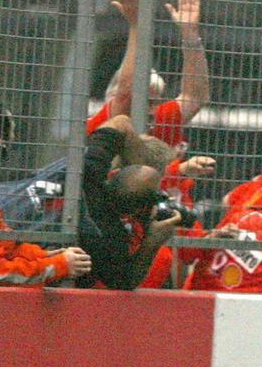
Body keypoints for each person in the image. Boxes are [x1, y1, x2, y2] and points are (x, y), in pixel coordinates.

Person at [87, 0, 209, 150]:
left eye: (154, 102)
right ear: (111, 98)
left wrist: (190, 35)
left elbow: (195, 96)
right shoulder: (102, 123)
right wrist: (136, 26)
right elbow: (126, 92)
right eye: (144, 102)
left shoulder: (158, 119)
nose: (151, 111)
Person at [73, 115, 183, 289]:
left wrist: (138, 173)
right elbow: (124, 283)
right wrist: (151, 243)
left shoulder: (84, 172)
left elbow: (121, 122)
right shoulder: (110, 239)